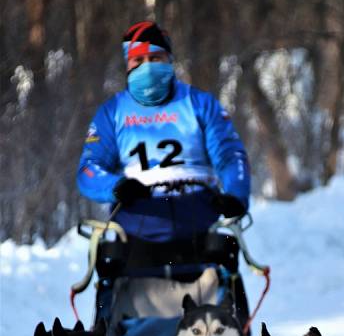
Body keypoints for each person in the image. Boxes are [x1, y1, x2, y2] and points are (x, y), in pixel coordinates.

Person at [77, 20, 250, 246]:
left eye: (155, 58)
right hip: (138, 222)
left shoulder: (200, 104)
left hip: (199, 217)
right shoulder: (112, 113)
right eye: (138, 60)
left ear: (169, 59)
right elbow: (89, 168)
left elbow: (230, 156)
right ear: (128, 65)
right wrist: (115, 187)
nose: (147, 67)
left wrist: (235, 195)